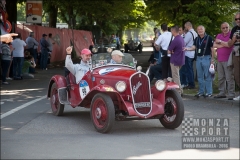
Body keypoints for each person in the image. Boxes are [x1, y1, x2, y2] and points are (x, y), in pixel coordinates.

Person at [185, 25, 215, 98]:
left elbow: (212, 49)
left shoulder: (209, 38)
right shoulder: (196, 38)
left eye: (201, 29)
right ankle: (201, 91)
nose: (200, 30)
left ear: (204, 30)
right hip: (198, 58)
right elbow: (194, 47)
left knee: (207, 75)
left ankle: (209, 92)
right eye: (198, 29)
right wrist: (187, 49)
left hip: (206, 58)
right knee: (200, 76)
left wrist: (212, 59)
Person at [213, 22, 235, 100]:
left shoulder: (232, 35)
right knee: (221, 77)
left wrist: (220, 42)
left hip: (228, 59)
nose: (225, 29)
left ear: (229, 27)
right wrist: (224, 44)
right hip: (219, 59)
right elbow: (214, 45)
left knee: (229, 77)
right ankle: (222, 93)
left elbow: (230, 44)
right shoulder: (219, 35)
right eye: (223, 28)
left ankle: (231, 94)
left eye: (226, 27)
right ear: (221, 29)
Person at [167, 25, 185, 94]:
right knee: (176, 75)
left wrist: (171, 51)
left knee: (176, 76)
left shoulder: (175, 40)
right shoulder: (181, 38)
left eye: (171, 31)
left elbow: (169, 51)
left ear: (173, 31)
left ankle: (178, 91)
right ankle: (180, 89)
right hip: (181, 59)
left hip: (175, 60)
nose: (171, 32)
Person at [181, 22, 198, 89]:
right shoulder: (195, 33)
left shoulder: (189, 33)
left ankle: (190, 83)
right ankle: (189, 83)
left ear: (188, 26)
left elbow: (184, 43)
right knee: (189, 69)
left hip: (188, 52)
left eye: (185, 27)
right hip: (193, 52)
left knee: (188, 69)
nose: (185, 28)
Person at [228, 12, 240, 101]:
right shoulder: (234, 29)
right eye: (236, 19)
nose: (238, 20)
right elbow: (229, 44)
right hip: (236, 53)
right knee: (236, 75)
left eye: (239, 19)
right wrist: (234, 39)